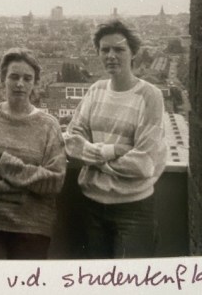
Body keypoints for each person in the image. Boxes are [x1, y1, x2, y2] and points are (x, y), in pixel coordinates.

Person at [64, 19, 167, 259]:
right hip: (91, 205)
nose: (111, 55)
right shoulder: (95, 90)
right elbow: (72, 141)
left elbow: (144, 163)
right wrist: (117, 150)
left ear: (133, 52)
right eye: (105, 49)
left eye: (119, 49)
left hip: (134, 209)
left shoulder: (150, 96)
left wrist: (97, 156)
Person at [0, 48, 66, 259]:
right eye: (14, 77)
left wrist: (1, 165)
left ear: (35, 83)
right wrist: (24, 191)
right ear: (3, 79)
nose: (20, 84)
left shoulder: (49, 125)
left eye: (27, 78)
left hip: (33, 227)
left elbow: (55, 180)